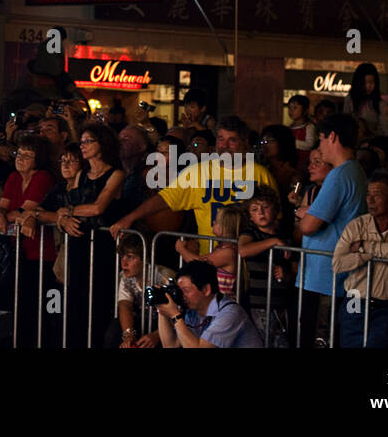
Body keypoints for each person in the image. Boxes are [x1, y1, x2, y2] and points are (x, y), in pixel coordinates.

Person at [110, 115, 277, 254]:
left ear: (245, 142)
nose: (224, 146)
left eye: (232, 140)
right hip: (211, 260)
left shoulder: (260, 174)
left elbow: (276, 217)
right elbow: (166, 198)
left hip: (253, 261)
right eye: (221, 139)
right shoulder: (198, 172)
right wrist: (129, 218)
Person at [34, 122, 124, 347]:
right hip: (77, 244)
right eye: (81, 141)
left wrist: (67, 212)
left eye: (88, 141)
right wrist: (62, 218)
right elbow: (65, 208)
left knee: (98, 304)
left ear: (102, 143)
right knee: (75, 305)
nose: (82, 146)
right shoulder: (82, 174)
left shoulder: (116, 173)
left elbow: (97, 207)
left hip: (103, 248)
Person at [294, 112, 367, 347]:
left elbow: (308, 225)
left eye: (321, 140)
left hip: (324, 276)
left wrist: (306, 212)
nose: (319, 147)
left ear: (332, 137)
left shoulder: (339, 174)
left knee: (317, 339)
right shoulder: (355, 171)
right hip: (337, 274)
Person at [330, 171, 388, 348]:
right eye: (368, 194)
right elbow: (338, 264)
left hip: (387, 303)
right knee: (350, 342)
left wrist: (363, 247)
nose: (370, 200)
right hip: (354, 298)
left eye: (376, 195)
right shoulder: (358, 224)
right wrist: (372, 255)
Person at [0, 132, 58, 343]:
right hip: (16, 253)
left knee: (29, 309)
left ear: (39, 160)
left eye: (27, 155)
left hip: (39, 254)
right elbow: (3, 208)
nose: (20, 158)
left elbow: (24, 212)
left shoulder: (42, 177)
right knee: (2, 301)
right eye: (19, 153)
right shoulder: (14, 177)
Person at [155, 260, 263, 348]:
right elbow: (170, 345)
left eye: (186, 290)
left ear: (206, 289)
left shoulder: (230, 313)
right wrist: (162, 307)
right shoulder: (193, 311)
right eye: (179, 290)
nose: (181, 295)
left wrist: (175, 316)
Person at [239, 187, 294, 346]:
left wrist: (286, 276)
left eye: (265, 207)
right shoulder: (250, 233)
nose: (261, 212)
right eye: (255, 209)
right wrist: (273, 242)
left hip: (282, 304)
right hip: (258, 304)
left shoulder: (286, 237)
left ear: (275, 209)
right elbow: (243, 250)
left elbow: (295, 271)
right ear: (250, 215)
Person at [103, 235, 164, 348]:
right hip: (142, 319)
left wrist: (158, 335)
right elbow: (125, 304)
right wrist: (128, 335)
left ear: (145, 259)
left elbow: (179, 315)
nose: (124, 263)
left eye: (130, 257)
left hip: (165, 323)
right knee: (114, 330)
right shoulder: (126, 276)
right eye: (122, 257)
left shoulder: (162, 277)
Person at [344, 63, 388, 138]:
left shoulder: (380, 103)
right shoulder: (350, 99)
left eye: (372, 82)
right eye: (365, 82)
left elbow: (386, 128)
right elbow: (346, 123)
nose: (368, 86)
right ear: (358, 83)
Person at [258, 124, 301, 199]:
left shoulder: (292, 172)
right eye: (263, 141)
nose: (265, 145)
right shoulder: (262, 167)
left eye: (270, 141)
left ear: (283, 142)